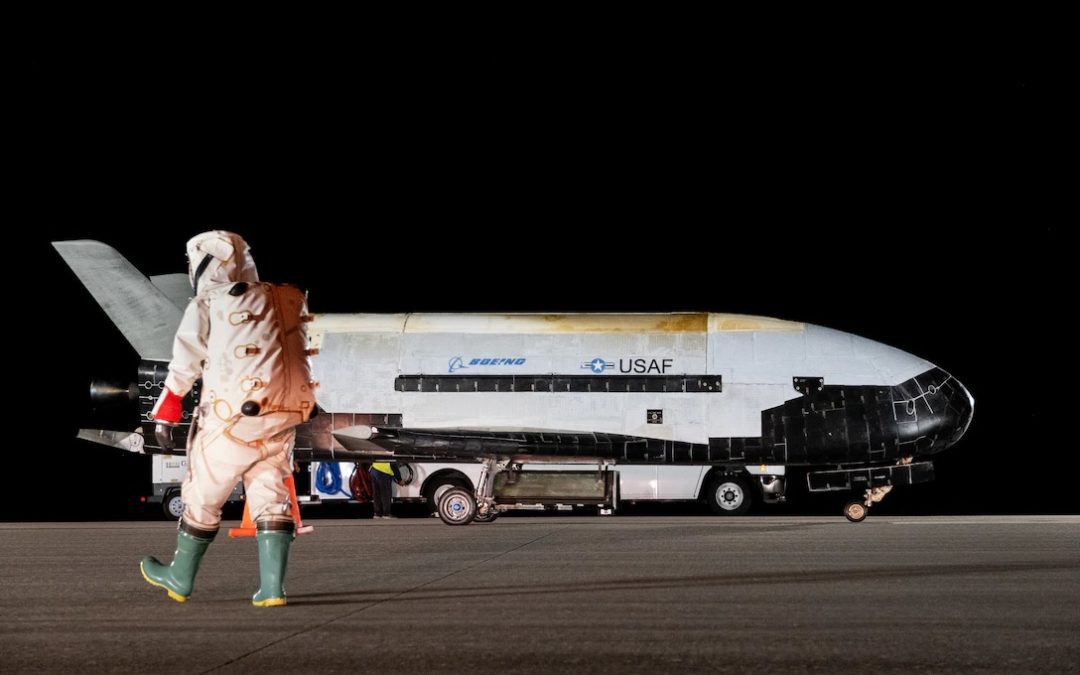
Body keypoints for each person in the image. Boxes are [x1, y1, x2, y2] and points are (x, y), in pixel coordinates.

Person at [140, 231, 316, 607]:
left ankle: (179, 577)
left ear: (203, 263)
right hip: (281, 417)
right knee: (270, 497)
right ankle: (272, 590)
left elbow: (186, 361)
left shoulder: (209, 300)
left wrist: (167, 409)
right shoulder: (284, 297)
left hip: (230, 419)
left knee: (203, 496)